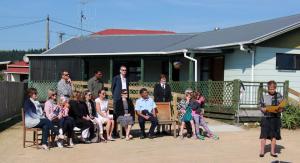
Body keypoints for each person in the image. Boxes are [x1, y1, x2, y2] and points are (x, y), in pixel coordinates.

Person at [259, 80, 284, 158]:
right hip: (266, 118)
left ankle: (272, 152)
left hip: (275, 118)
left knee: (274, 136)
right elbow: (260, 106)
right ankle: (262, 151)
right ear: (268, 88)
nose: (272, 90)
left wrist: (280, 109)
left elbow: (282, 107)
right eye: (270, 89)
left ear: (275, 88)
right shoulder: (263, 96)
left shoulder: (279, 95)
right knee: (263, 135)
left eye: (273, 89)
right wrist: (263, 109)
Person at [111, 65, 129, 137]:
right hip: (117, 99)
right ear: (120, 71)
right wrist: (116, 97)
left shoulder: (126, 79)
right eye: (123, 70)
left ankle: (124, 132)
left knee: (124, 114)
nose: (124, 71)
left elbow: (127, 88)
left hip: (125, 98)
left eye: (125, 70)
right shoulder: (116, 78)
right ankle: (114, 132)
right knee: (116, 115)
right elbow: (112, 88)